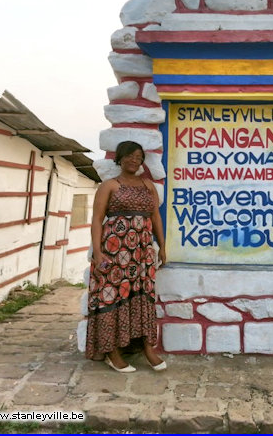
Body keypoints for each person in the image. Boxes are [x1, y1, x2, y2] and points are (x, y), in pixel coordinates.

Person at [85, 140, 166, 372]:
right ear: (119, 158)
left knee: (143, 296)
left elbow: (156, 218)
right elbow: (97, 220)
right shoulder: (110, 185)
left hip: (142, 251)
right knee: (111, 297)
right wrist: (98, 253)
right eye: (130, 156)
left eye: (139, 157)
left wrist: (163, 246)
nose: (134, 160)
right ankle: (113, 352)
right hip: (114, 250)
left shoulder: (148, 185)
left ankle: (148, 348)